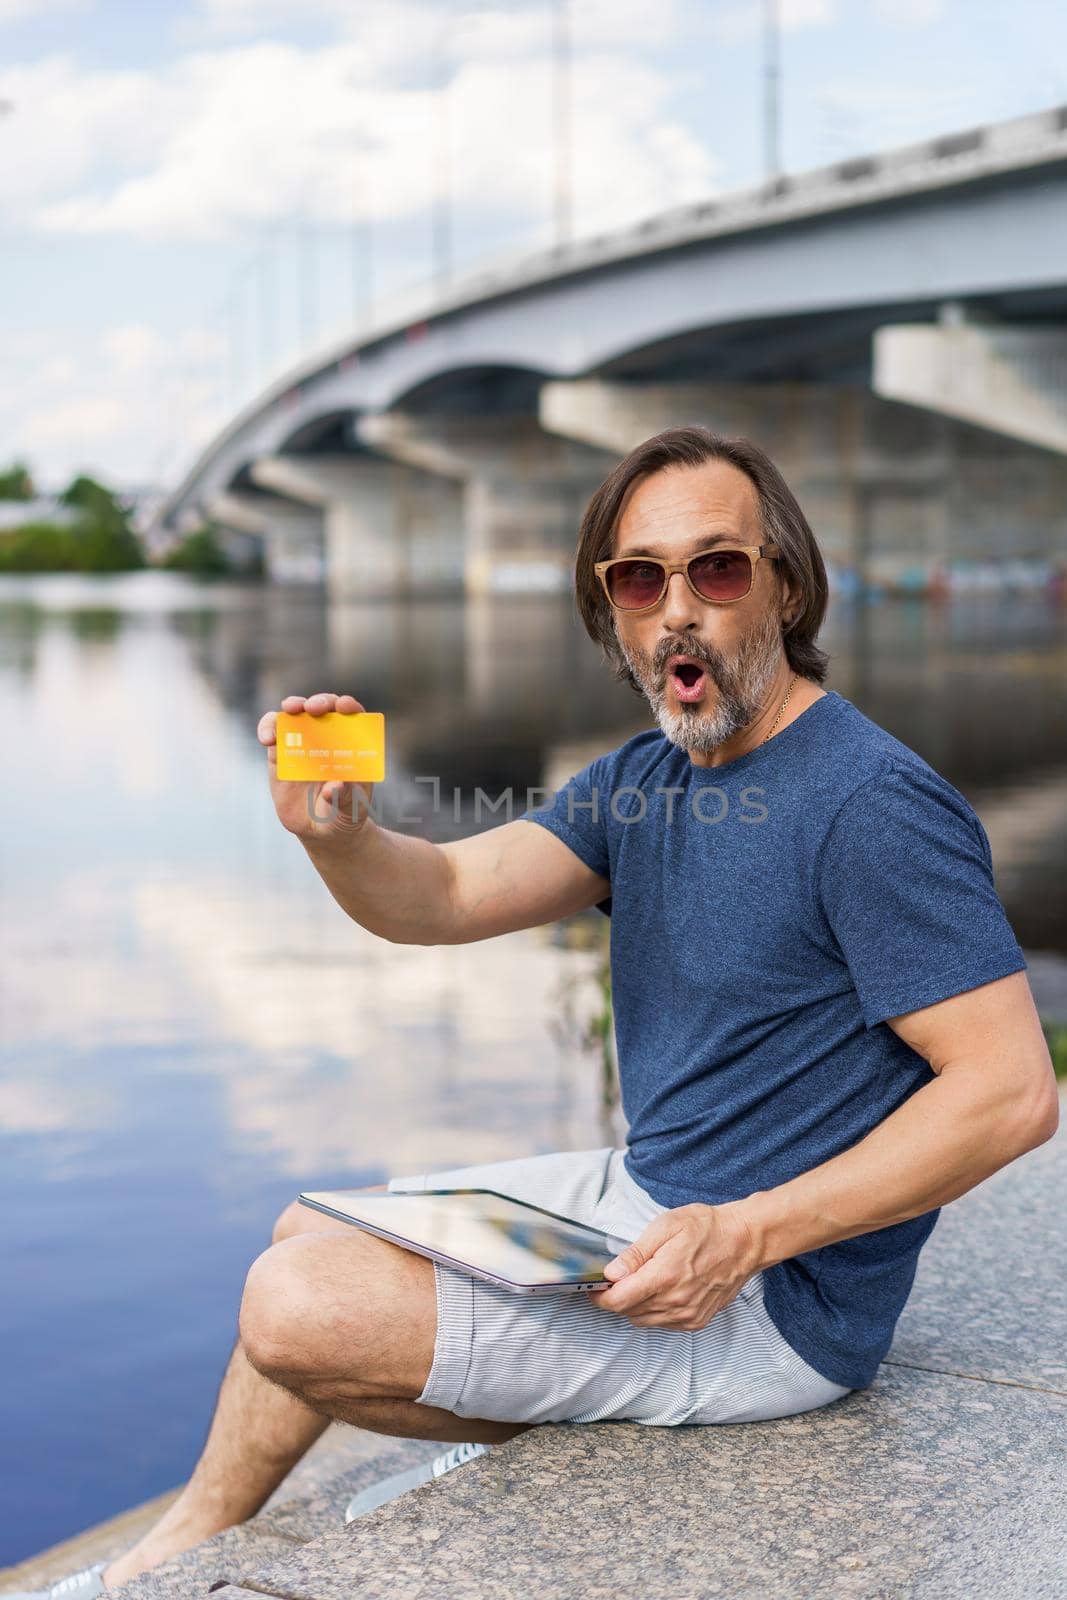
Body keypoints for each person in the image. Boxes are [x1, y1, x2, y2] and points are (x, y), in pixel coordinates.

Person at [25, 428, 1058, 1596]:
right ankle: (168, 1554)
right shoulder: (645, 780)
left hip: (777, 1301)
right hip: (649, 1204)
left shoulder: (871, 803)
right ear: (610, 612)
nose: (675, 609)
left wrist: (748, 1234)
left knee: (297, 1304)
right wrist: (341, 834)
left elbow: (1011, 1092)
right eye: (637, 578)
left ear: (784, 583)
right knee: (302, 1230)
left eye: (714, 569)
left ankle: (553, 1420)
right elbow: (448, 893)